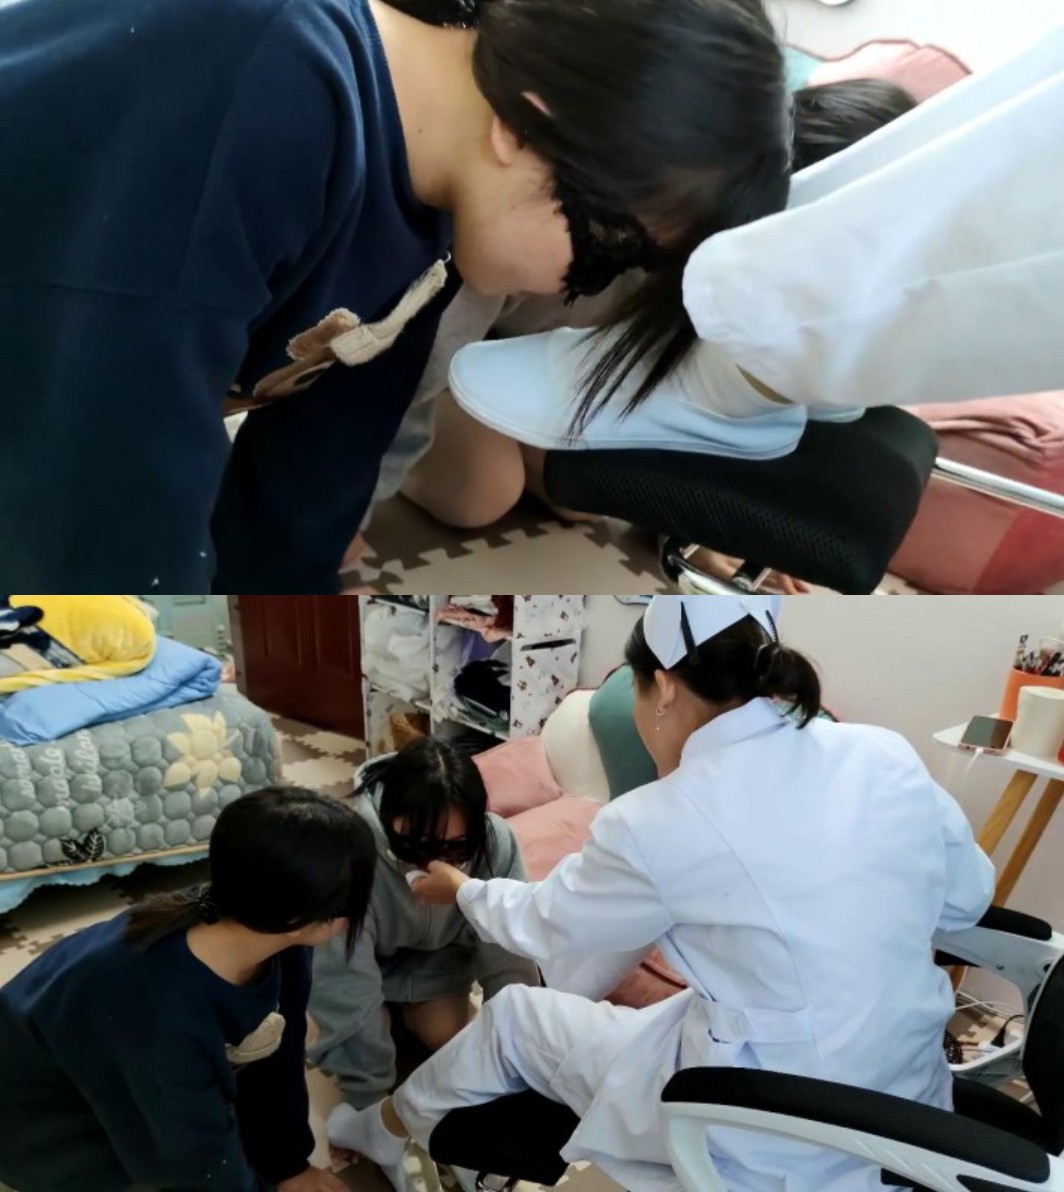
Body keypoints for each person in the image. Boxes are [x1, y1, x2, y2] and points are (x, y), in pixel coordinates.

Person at [3, 0, 809, 594]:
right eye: (610, 254)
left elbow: (312, 483)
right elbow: (99, 506)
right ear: (531, 130)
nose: (569, 292)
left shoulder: (436, 199)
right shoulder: (261, 83)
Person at [327, 595, 995, 1192]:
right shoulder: (883, 752)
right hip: (907, 1097)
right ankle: (387, 1125)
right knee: (606, 1014)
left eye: (637, 694)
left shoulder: (661, 818)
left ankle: (380, 1129)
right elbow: (967, 900)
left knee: (515, 1019)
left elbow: (545, 924)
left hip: (771, 1123)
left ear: (665, 688)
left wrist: (465, 891)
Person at [346, 80, 916, 594]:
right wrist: (356, 504)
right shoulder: (641, 218)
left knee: (584, 500)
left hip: (569, 361)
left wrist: (686, 531)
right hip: (475, 346)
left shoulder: (780, 297)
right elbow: (442, 324)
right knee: (481, 496)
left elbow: (683, 406)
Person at [440, 21, 1064, 452]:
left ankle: (733, 392)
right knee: (485, 492)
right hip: (496, 326)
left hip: (559, 337)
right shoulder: (626, 221)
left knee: (555, 487)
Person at [0, 788, 377, 1192]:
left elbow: (279, 1054)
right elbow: (194, 1156)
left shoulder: (272, 930)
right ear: (301, 915)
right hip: (42, 1125)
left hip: (129, 1080)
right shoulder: (157, 1007)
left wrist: (288, 1165)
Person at [310, 737, 538, 1185]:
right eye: (416, 846)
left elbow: (510, 956)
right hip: (363, 965)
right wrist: (369, 1102)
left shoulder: (496, 844)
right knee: (342, 1032)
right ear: (389, 820)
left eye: (456, 849)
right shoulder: (352, 848)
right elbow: (341, 977)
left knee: (455, 1043)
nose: (435, 863)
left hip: (438, 964)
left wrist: (514, 1062)